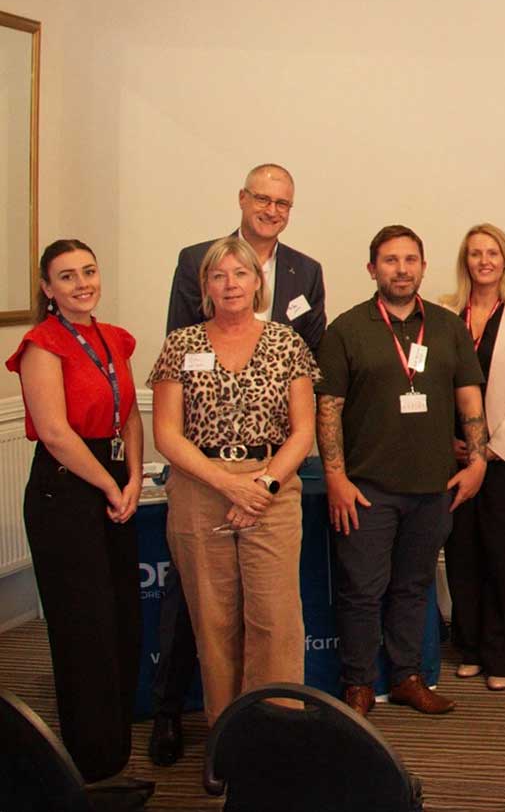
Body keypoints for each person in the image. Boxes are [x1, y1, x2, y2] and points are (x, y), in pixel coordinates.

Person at [152, 161, 325, 765]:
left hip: (271, 493)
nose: (230, 283)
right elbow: (166, 435)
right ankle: (226, 750)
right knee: (215, 628)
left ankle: (274, 748)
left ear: (260, 282)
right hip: (202, 493)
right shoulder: (181, 344)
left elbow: (303, 430)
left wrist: (267, 482)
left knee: (277, 627)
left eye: (241, 274)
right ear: (206, 284)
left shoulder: (287, 341)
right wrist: (227, 482)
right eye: (219, 275)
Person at [316, 225, 490, 718]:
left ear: (423, 266)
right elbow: (328, 408)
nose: (401, 269)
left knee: (414, 588)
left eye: (410, 259)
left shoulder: (447, 326)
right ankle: (358, 685)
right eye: (390, 260)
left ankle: (409, 677)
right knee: (362, 591)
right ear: (373, 269)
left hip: (432, 487)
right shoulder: (347, 330)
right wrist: (335, 478)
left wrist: (478, 459)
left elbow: (468, 396)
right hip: (366, 489)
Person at [6, 241, 146, 791]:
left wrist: (133, 478)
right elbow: (58, 434)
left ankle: (117, 748)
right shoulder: (42, 344)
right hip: (65, 491)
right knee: (83, 628)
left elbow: (129, 411)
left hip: (115, 481)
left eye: (89, 271)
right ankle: (93, 766)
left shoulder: (114, 338)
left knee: (121, 621)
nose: (82, 283)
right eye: (67, 276)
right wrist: (111, 484)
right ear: (47, 289)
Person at [440, 223, 505, 690]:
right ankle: (471, 645)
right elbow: (432, 385)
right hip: (454, 454)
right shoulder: (443, 312)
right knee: (462, 550)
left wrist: (492, 448)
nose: (484, 261)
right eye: (476, 253)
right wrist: (450, 443)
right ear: (466, 261)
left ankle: (504, 650)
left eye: (493, 253)